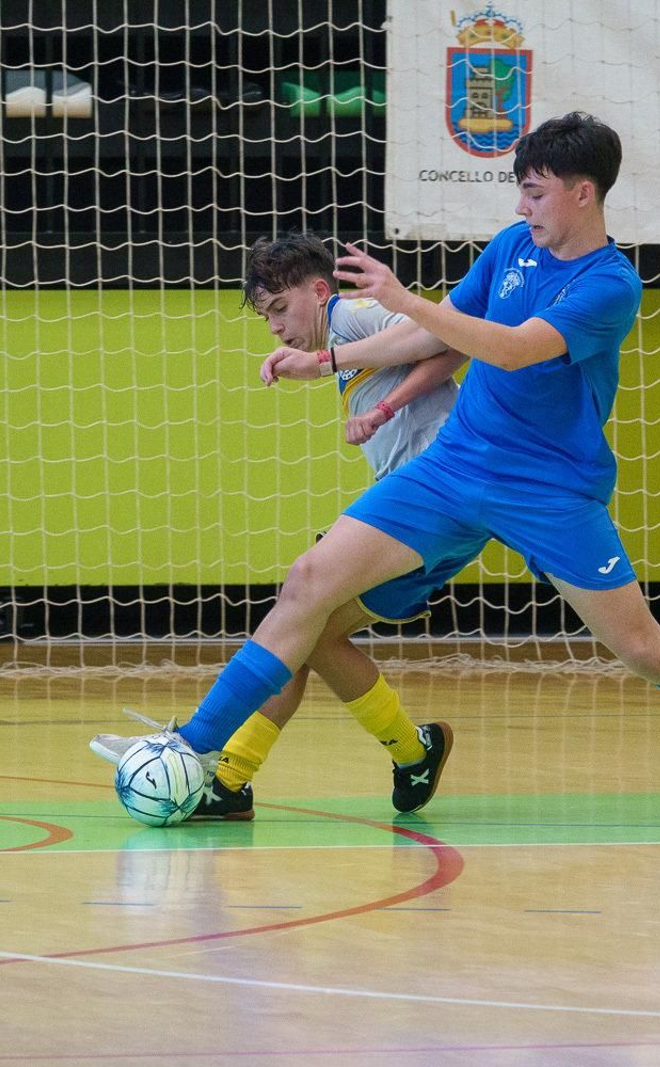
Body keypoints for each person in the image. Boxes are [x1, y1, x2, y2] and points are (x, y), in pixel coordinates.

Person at [94, 111, 660, 821]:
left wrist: (405, 297)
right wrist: (330, 358)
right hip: (454, 465)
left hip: (550, 488)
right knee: (308, 584)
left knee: (645, 650)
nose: (524, 207)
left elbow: (511, 347)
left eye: (535, 193)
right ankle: (193, 747)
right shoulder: (510, 248)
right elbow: (432, 341)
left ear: (582, 192)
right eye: (520, 193)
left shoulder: (610, 284)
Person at [91, 233, 466, 821]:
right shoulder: (343, 335)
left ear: (320, 291)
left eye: (280, 310)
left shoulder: (354, 313)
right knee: (301, 629)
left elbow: (451, 338)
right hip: (415, 508)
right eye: (266, 316)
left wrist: (379, 407)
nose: (273, 327)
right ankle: (394, 755)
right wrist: (336, 378)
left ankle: (202, 748)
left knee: (299, 603)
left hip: (437, 498)